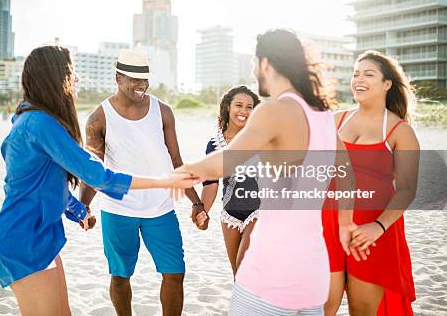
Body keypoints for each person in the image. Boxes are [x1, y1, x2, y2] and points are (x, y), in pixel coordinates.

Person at [0, 45, 199, 316]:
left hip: (42, 234)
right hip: (23, 237)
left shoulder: (36, 120)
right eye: (71, 72)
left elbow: (44, 185)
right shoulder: (39, 124)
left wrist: (78, 210)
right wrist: (162, 182)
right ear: (55, 77)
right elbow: (99, 176)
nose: (77, 78)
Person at [179, 29, 363, 316]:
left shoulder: (272, 111)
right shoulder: (323, 116)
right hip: (313, 273)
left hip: (270, 272)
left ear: (266, 63)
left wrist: (176, 174)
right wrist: (345, 223)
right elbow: (347, 174)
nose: (254, 69)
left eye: (255, 62)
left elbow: (223, 163)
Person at [79, 49, 208, 316]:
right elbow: (94, 170)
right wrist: (84, 208)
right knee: (120, 276)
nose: (141, 85)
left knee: (175, 272)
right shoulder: (98, 118)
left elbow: (176, 160)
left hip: (160, 208)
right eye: (133, 78)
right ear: (117, 77)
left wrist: (196, 203)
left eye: (145, 78)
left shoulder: (163, 112)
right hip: (118, 210)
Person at [323, 50, 419, 316]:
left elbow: (408, 189)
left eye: (368, 74)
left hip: (372, 231)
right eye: (355, 74)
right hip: (328, 223)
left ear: (387, 83)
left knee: (363, 309)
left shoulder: (400, 131)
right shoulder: (335, 121)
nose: (358, 79)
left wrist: (379, 227)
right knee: (322, 306)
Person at [197, 85, 261, 276]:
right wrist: (203, 211)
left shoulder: (261, 138)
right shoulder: (215, 144)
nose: (244, 111)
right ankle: (246, 307)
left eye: (249, 107)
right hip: (229, 213)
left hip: (260, 209)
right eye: (239, 105)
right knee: (237, 273)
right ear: (227, 107)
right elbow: (210, 183)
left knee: (244, 262)